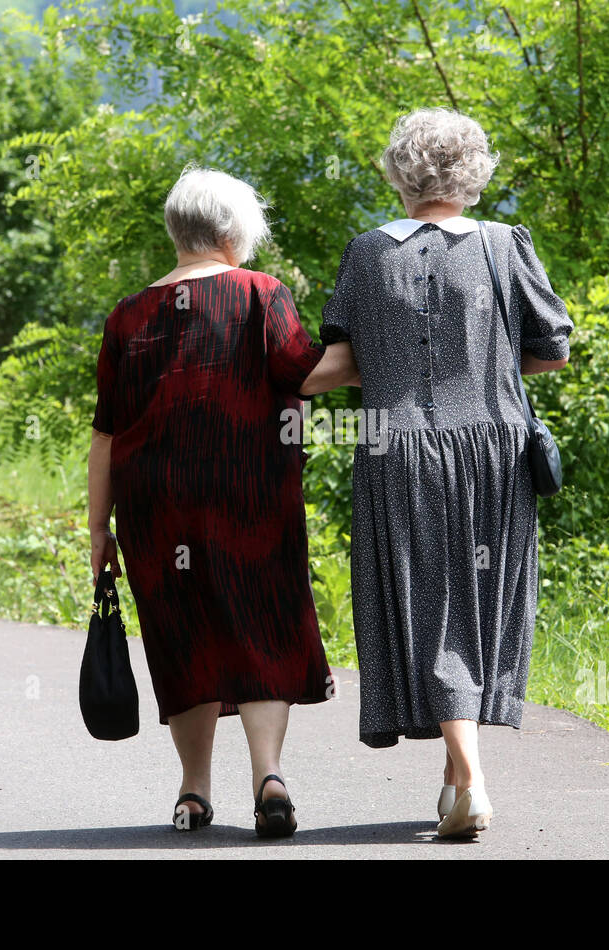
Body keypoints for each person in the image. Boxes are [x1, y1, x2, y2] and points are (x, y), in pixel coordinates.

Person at [319, 108, 573, 838]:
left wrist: (275, 379)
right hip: (494, 447)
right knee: (475, 605)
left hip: (395, 446)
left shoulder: (368, 255)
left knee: (425, 607)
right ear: (475, 172)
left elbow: (341, 360)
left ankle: (466, 776)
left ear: (399, 172)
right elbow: (552, 350)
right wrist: (485, 362)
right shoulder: (504, 244)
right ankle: (465, 773)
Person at [88, 165, 359, 837]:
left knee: (184, 634)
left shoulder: (127, 317)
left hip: (155, 501)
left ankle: (193, 791)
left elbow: (105, 432)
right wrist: (370, 347)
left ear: (176, 232)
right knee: (261, 618)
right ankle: (268, 774)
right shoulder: (261, 293)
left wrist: (98, 529)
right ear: (234, 231)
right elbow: (306, 372)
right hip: (250, 492)